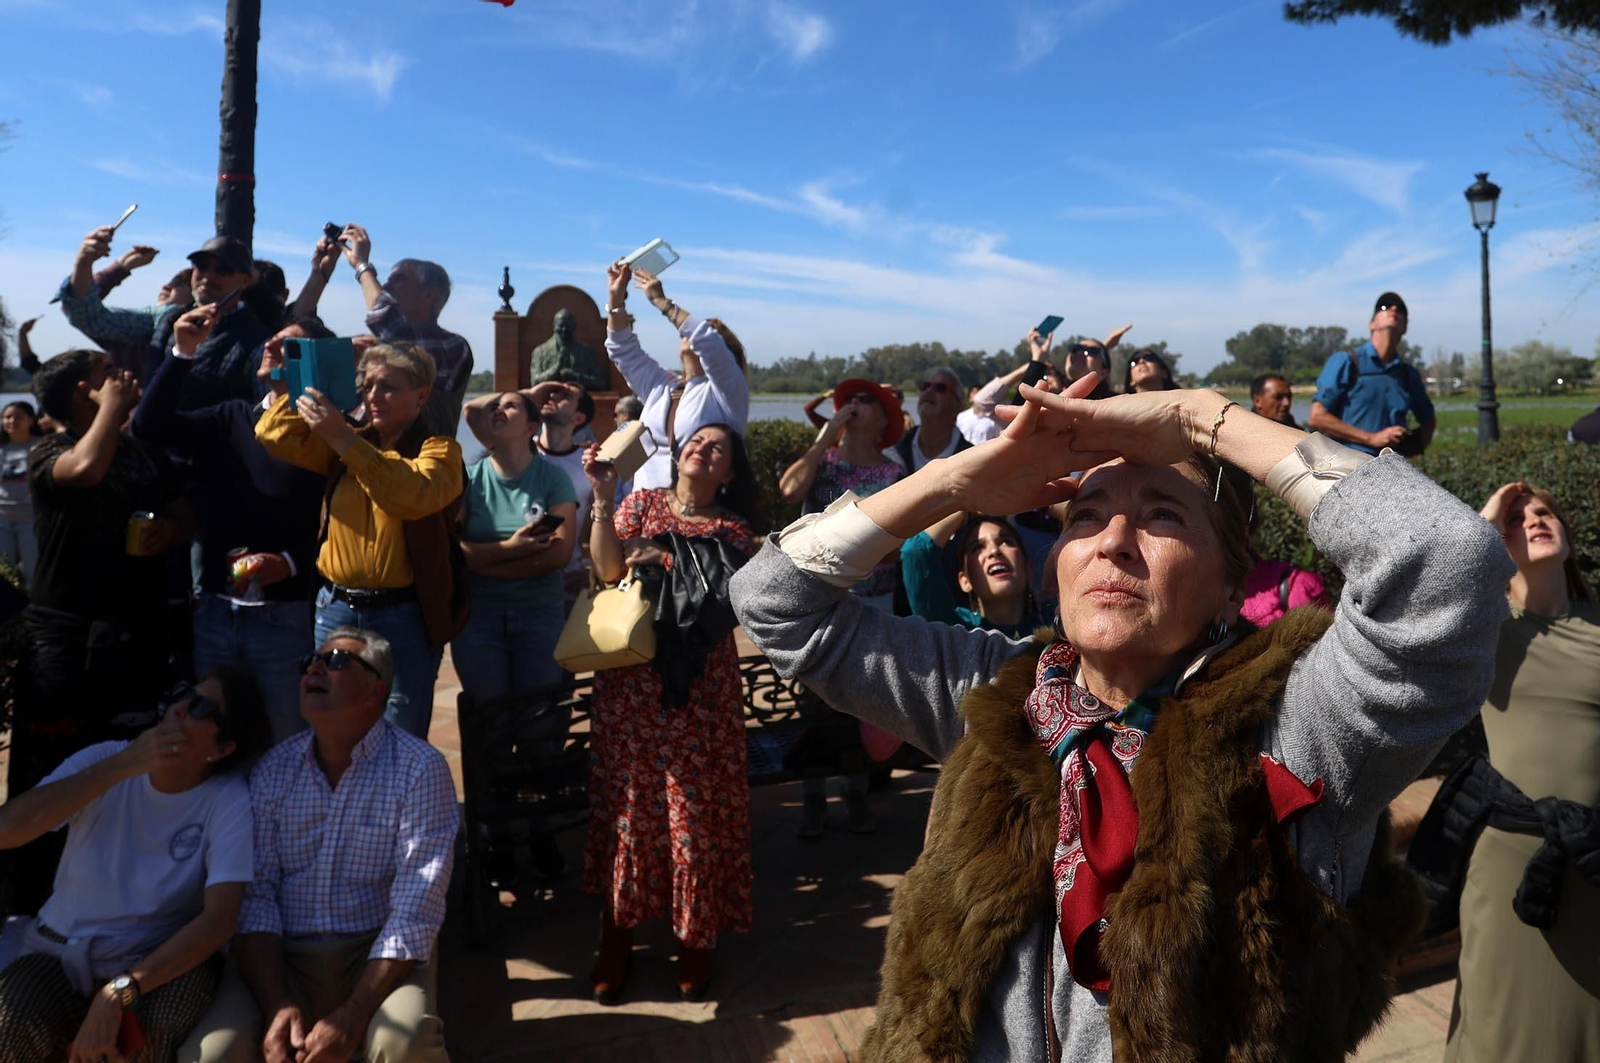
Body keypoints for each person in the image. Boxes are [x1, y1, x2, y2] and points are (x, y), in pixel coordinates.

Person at [730, 372, 1513, 1061]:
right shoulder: (998, 698)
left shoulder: (1295, 722)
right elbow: (773, 602)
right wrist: (954, 480)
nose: (1113, 541)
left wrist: (1201, 416)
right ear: (1056, 564)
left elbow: (1448, 563)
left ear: (1230, 581)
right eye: (1085, 515)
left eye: (1162, 515)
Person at [0, 668, 269, 1063]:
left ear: (222, 748)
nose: (180, 708)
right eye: (183, 694)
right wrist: (125, 763)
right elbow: (7, 830)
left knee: (151, 1029)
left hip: (151, 962)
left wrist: (121, 991)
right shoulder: (106, 757)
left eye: (201, 707)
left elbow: (219, 920)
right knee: (8, 1026)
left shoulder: (227, 799)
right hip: (59, 952)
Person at [214, 628, 457, 1063]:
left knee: (404, 1044)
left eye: (337, 660)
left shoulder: (419, 770)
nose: (315, 668)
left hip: (376, 957)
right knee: (215, 1053)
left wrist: (355, 1013)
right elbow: (256, 897)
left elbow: (414, 911)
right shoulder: (274, 770)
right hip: (283, 959)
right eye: (310, 661)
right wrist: (277, 1004)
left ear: (375, 691)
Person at [579, 423, 757, 1005]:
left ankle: (694, 938)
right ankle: (615, 937)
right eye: (696, 441)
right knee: (629, 809)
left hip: (699, 691)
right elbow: (608, 570)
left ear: (729, 472)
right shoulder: (639, 504)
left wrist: (659, 554)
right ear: (679, 454)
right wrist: (603, 496)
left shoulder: (732, 529)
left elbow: (722, 598)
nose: (702, 449)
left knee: (692, 815)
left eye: (717, 447)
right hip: (631, 684)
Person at [1424, 481, 1599, 1062]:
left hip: (1595, 863)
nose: (1534, 520)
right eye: (1516, 520)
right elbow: (1429, 594)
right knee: (1503, 1028)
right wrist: (1486, 520)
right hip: (1509, 863)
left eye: (1545, 512)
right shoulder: (1484, 628)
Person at [10, 352, 189, 913]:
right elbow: (86, 470)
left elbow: (184, 511)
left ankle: (110, 900)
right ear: (83, 392)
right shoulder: (49, 450)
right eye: (110, 372)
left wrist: (171, 530)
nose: (126, 375)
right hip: (64, 644)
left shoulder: (143, 453)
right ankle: (26, 905)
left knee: (126, 770)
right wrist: (111, 408)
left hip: (135, 637)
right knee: (50, 774)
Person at [132, 312, 328, 744]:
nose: (271, 346)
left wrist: (290, 563)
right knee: (214, 739)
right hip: (216, 612)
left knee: (286, 740)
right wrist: (182, 353)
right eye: (272, 339)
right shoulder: (232, 417)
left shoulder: (327, 432)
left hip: (284, 615)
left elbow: (339, 523)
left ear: (314, 361)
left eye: (289, 345)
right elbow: (149, 426)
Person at [255, 342, 466, 739]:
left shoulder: (440, 451)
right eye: (366, 386)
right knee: (329, 726)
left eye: (388, 387)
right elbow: (274, 434)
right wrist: (317, 380)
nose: (373, 396)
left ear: (422, 395)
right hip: (335, 608)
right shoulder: (342, 443)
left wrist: (344, 440)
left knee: (399, 731)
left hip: (404, 616)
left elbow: (413, 495)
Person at [779, 379, 907, 836]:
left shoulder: (893, 473)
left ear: (883, 420)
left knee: (864, 703)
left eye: (866, 401)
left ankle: (856, 793)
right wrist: (824, 436)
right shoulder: (825, 462)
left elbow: (901, 541)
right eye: (850, 400)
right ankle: (813, 797)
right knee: (813, 702)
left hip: (874, 601)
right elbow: (789, 491)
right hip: (819, 601)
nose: (854, 405)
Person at [453, 388, 578, 704]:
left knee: (537, 719)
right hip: (479, 617)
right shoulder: (468, 479)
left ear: (531, 427)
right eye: (495, 406)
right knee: (489, 718)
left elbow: (558, 556)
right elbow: (452, 552)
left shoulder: (554, 479)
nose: (498, 410)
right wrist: (512, 547)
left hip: (539, 615)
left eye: (511, 407)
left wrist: (481, 564)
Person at [297, 225, 473, 439]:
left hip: (414, 458)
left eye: (398, 279)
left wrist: (362, 266)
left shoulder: (452, 346)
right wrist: (320, 273)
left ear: (428, 294)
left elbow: (394, 331)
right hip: (363, 455)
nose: (386, 286)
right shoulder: (378, 345)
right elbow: (297, 331)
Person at [603, 262, 750, 491]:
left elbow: (708, 342)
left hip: (693, 509)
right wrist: (616, 299)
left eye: (708, 330)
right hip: (644, 508)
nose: (691, 333)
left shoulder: (728, 393)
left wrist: (661, 301)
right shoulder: (662, 386)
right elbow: (622, 350)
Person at [1309, 292, 1435, 455]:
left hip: (1391, 467)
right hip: (1348, 466)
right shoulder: (1346, 362)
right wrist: (1371, 438)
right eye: (1384, 306)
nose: (1394, 309)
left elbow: (1429, 421)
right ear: (1372, 324)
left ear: (1405, 328)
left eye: (1401, 309)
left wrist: (1408, 451)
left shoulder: (1408, 374)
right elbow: (1317, 417)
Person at [901, 512, 1044, 638]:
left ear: (1028, 570)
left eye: (1006, 542)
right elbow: (915, 553)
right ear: (965, 580)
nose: (994, 551)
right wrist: (965, 501)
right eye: (977, 547)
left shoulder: (1052, 625)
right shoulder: (953, 629)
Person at [530, 382, 598, 607]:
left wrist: (592, 572)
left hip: (565, 583)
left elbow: (595, 528)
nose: (552, 396)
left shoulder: (589, 465)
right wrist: (529, 397)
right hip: (516, 575)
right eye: (552, 393)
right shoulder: (519, 450)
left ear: (579, 418)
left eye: (565, 396)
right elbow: (473, 412)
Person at [958, 330, 1057, 445]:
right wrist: (1033, 364)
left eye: (1047, 375)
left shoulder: (1068, 416)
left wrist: (1037, 362)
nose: (1042, 382)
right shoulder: (1022, 416)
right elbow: (982, 400)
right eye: (1042, 376)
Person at [891, 367, 970, 471]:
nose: (929, 391)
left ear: (958, 407)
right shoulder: (895, 452)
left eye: (940, 388)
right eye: (925, 386)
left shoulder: (971, 460)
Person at [0, 400, 44, 585]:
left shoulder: (40, 447)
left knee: (34, 574)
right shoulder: (2, 448)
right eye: (7, 417)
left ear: (31, 421)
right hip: (2, 521)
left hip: (30, 521)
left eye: (18, 417)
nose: (12, 421)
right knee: (5, 573)